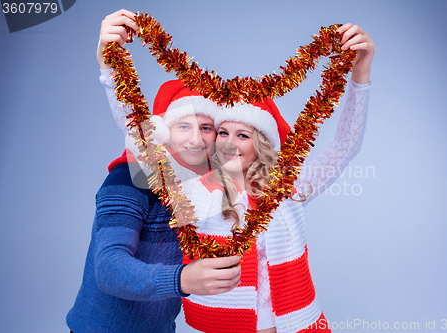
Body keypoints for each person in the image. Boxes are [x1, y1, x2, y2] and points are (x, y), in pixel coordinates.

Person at [102, 9, 375, 332]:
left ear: (260, 143)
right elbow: (138, 136)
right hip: (225, 323)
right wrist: (109, 65)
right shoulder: (192, 190)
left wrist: (360, 74)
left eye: (242, 135)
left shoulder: (288, 188)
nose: (229, 143)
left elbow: (344, 147)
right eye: (222, 133)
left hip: (294, 321)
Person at [66, 10, 242, 333]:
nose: (195, 138)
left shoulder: (205, 190)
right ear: (162, 131)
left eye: (206, 127)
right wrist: (109, 66)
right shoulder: (127, 180)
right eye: (183, 126)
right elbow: (109, 268)